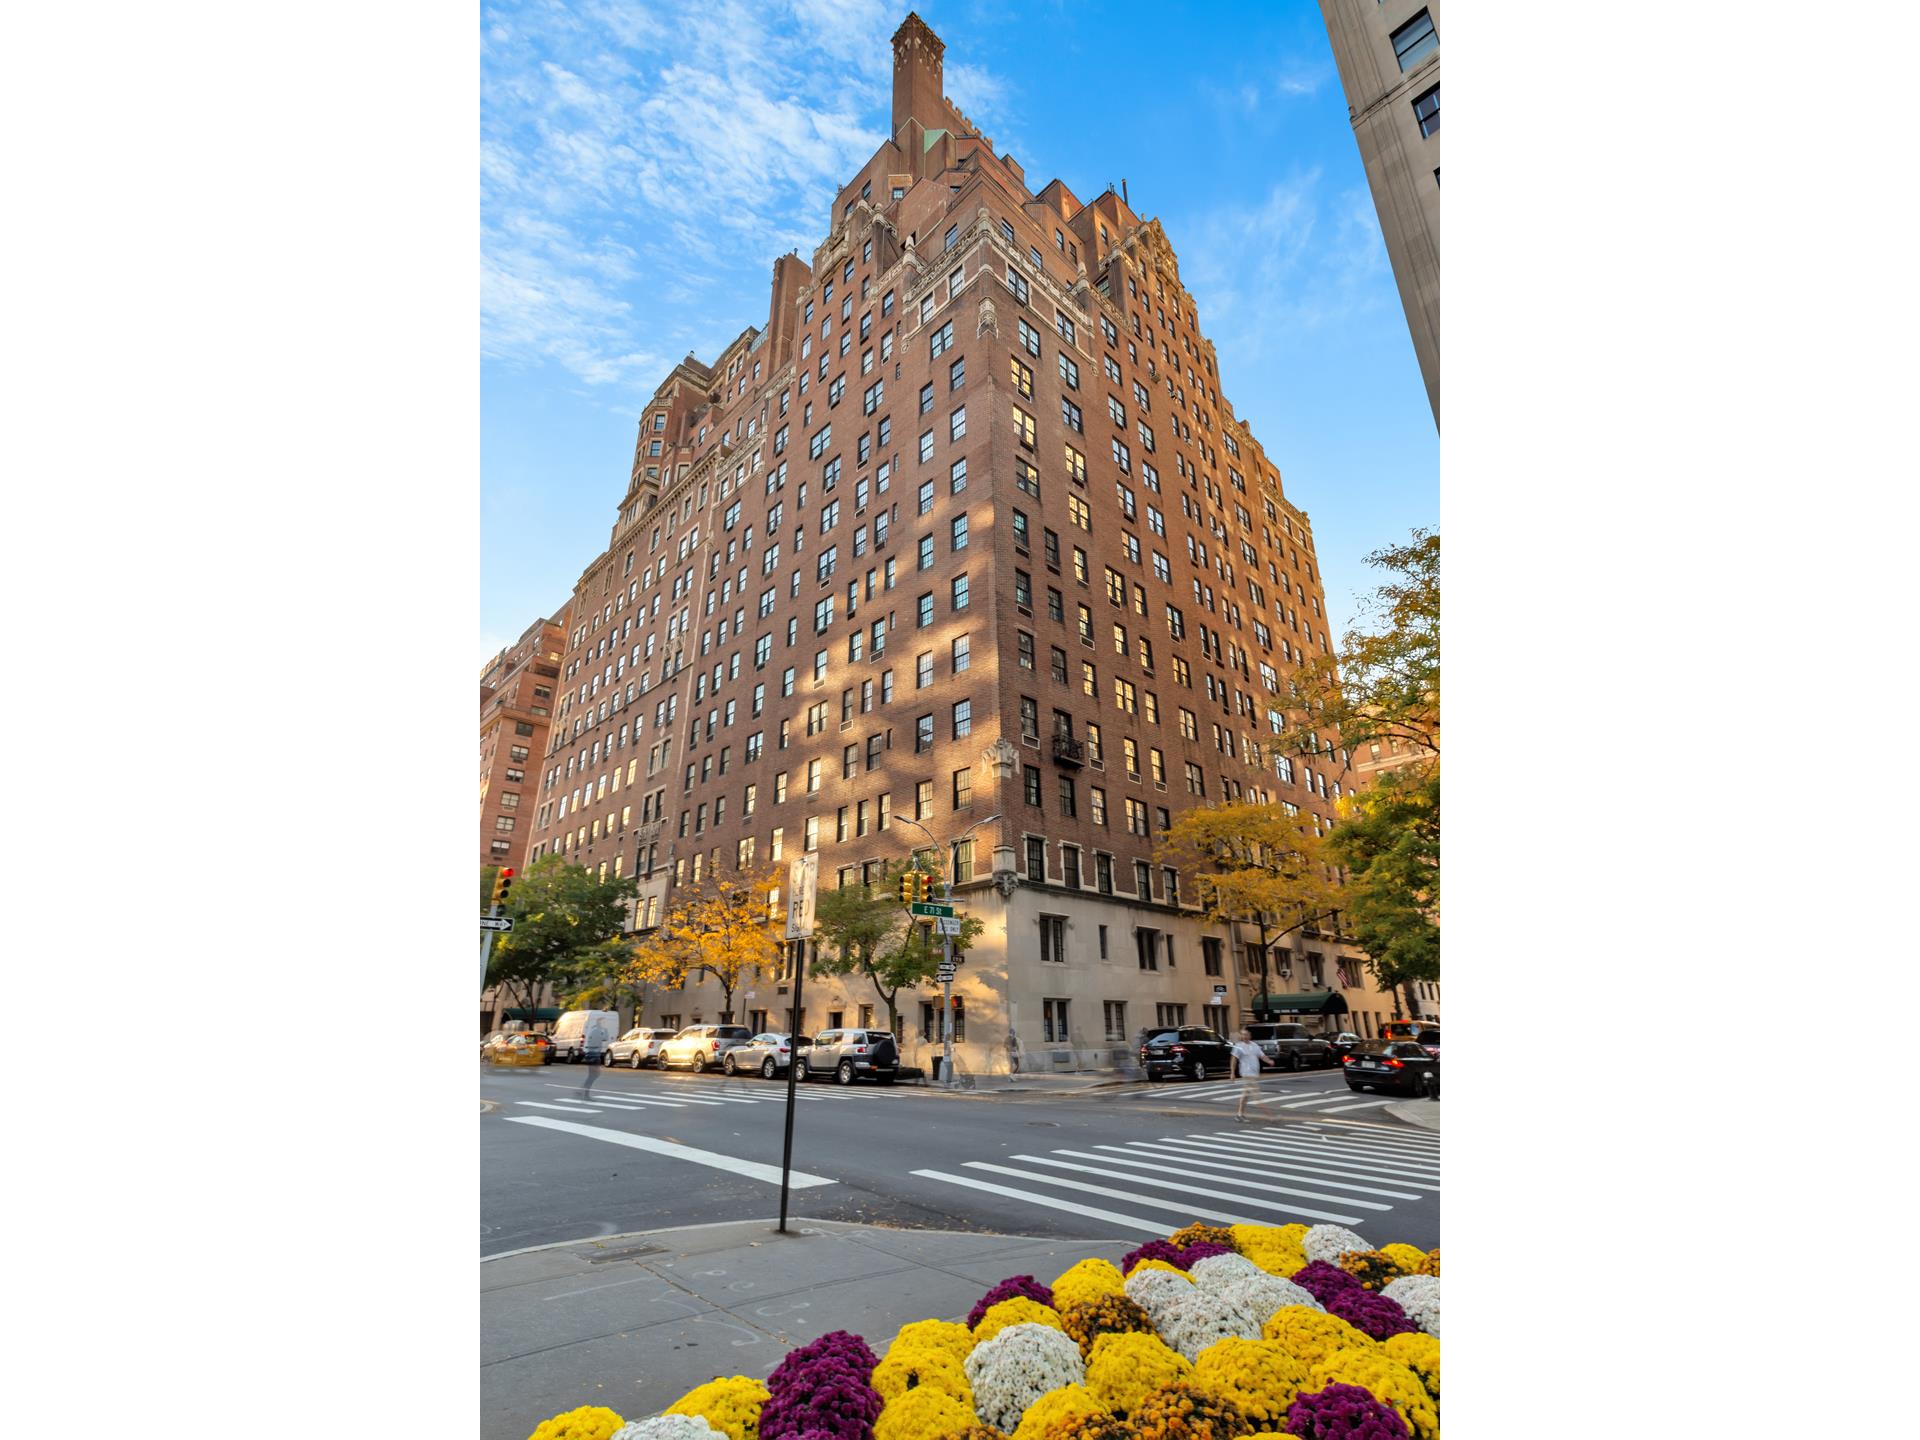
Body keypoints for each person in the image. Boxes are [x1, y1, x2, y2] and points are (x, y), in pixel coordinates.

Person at [1231, 1028, 1266, 1122]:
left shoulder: (1255, 1045)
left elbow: (1262, 1055)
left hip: (1254, 1074)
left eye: (1246, 1034)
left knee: (1246, 1094)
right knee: (1253, 1094)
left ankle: (1239, 1115)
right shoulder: (1238, 1046)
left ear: (1250, 1036)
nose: (1244, 1036)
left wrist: (1269, 1061)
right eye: (1243, 1035)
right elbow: (1234, 1059)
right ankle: (1240, 1114)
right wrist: (1232, 1073)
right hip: (1246, 1073)